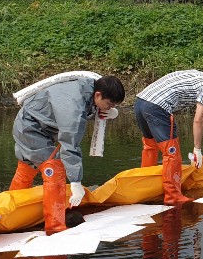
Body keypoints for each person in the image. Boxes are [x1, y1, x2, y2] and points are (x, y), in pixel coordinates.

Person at [9, 75, 125, 234]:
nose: (109, 107)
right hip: (31, 129)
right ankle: (55, 227)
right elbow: (69, 145)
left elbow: (88, 108)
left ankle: (12, 213)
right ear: (98, 95)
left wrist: (107, 111)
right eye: (109, 104)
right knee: (55, 169)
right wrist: (76, 182)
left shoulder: (90, 87)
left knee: (27, 168)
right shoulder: (73, 106)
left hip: (40, 126)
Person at [134, 65, 203, 205]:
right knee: (171, 153)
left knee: (150, 145)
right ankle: (173, 196)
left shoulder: (197, 74)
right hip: (157, 106)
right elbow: (198, 119)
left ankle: (145, 186)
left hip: (140, 102)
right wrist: (197, 149)